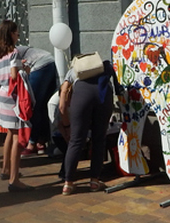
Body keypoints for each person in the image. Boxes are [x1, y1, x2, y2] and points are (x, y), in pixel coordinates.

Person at [60, 57, 114, 195]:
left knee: (76, 140)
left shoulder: (74, 69)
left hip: (82, 95)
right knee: (99, 139)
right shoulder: (101, 67)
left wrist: (66, 122)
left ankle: (68, 183)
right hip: (104, 92)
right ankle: (95, 181)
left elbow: (64, 94)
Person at [0, 20, 32, 192]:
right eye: (16, 32)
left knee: (9, 132)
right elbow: (15, 75)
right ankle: (14, 178)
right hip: (12, 95)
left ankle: (5, 168)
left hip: (2, 93)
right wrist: (25, 69)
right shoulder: (14, 52)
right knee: (17, 136)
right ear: (10, 34)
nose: (18, 35)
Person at [18, 45, 57, 156]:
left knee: (32, 106)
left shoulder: (12, 52)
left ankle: (32, 142)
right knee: (42, 105)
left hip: (41, 66)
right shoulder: (19, 49)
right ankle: (41, 141)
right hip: (49, 63)